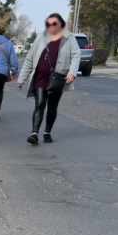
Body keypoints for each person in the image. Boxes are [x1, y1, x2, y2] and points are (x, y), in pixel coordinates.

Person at [17, 13, 80, 144]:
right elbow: (30, 59)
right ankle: (34, 134)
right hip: (40, 77)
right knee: (39, 105)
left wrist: (72, 73)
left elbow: (76, 55)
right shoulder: (41, 38)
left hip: (57, 78)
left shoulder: (68, 38)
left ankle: (47, 132)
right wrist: (21, 78)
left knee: (52, 107)